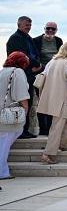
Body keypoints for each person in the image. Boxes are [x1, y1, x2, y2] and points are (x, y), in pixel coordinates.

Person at [35, 43, 67, 163]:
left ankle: (64, 143)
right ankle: (48, 153)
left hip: (51, 96)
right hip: (64, 97)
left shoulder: (52, 61)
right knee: (57, 125)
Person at [7, 16, 41, 138]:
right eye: (27, 24)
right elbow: (22, 56)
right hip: (21, 74)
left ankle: (24, 129)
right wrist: (37, 65)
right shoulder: (15, 39)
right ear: (19, 24)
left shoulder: (28, 38)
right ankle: (20, 130)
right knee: (21, 103)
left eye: (30, 25)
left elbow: (35, 54)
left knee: (30, 101)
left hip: (30, 74)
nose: (29, 27)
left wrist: (38, 66)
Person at [0, 52, 31, 182]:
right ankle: (2, 172)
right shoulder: (18, 72)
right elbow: (22, 96)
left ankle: (3, 170)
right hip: (10, 115)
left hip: (2, 111)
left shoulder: (2, 71)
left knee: (3, 142)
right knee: (5, 143)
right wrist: (25, 112)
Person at [33, 21, 63, 135]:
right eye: (48, 28)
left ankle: (51, 127)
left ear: (56, 30)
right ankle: (42, 128)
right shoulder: (36, 41)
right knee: (41, 102)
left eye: (53, 29)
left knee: (53, 101)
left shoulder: (59, 41)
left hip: (55, 75)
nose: (50, 31)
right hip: (41, 74)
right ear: (44, 28)